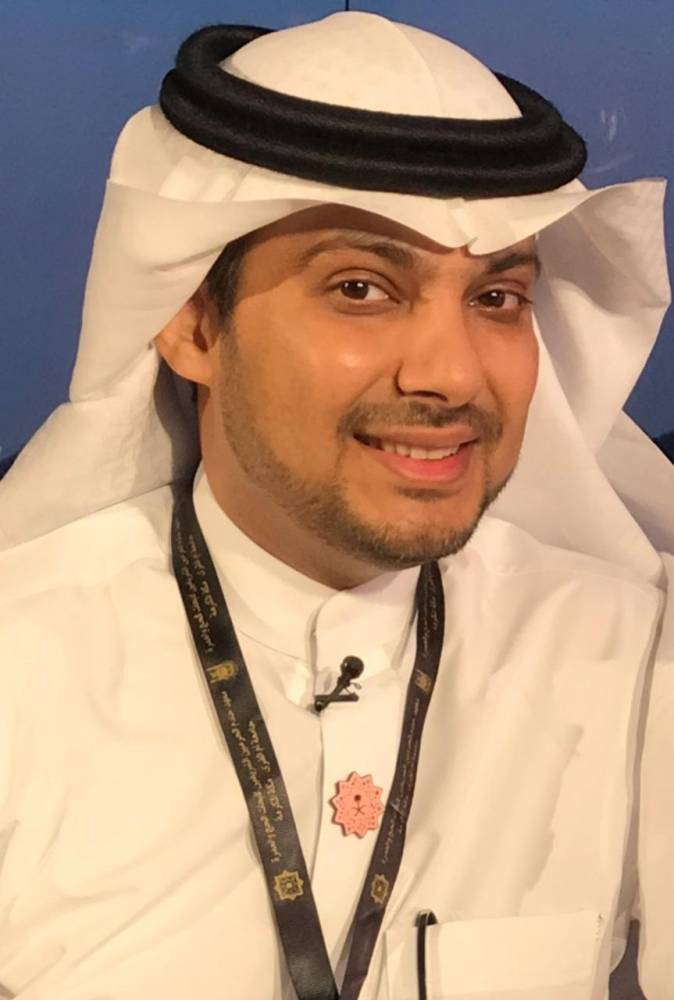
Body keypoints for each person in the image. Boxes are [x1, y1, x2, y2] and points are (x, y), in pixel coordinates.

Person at [0, 11, 672, 1000]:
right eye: (361, 288)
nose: (452, 375)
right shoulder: (22, 667)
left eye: (496, 299)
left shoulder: (636, 659)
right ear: (191, 326)